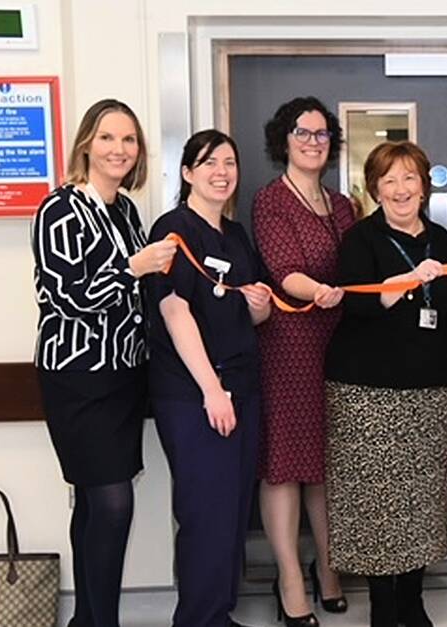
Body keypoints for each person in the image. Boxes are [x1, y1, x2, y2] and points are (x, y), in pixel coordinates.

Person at [32, 98, 176, 627]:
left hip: (122, 375)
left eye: (129, 140)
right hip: (76, 376)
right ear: (87, 143)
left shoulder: (125, 211)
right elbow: (70, 296)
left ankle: (88, 619)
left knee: (94, 502)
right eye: (109, 137)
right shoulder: (59, 209)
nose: (119, 149)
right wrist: (134, 266)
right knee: (113, 504)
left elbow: (136, 298)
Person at [322, 141, 447, 627]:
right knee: (377, 503)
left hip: (430, 390)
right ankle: (383, 604)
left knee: (420, 500)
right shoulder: (360, 240)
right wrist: (406, 280)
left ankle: (413, 598)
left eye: (410, 178)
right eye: (390, 180)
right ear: (375, 189)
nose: (401, 189)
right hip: (369, 392)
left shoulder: (442, 239)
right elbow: (357, 305)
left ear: (424, 185)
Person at [146, 129, 272, 627]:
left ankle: (217, 613)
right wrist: (211, 390)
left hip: (241, 386)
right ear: (187, 173)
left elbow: (249, 315)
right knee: (206, 514)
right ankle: (198, 619)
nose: (221, 172)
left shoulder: (236, 235)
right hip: (196, 393)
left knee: (233, 511)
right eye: (209, 163)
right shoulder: (173, 230)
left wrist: (259, 306)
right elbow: (175, 310)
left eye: (229, 162)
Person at [252, 96, 356, 626]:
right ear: (283, 139)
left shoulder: (343, 206)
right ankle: (290, 575)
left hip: (337, 343)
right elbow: (282, 269)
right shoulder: (271, 201)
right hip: (290, 342)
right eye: (303, 132)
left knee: (326, 460)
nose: (313, 141)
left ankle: (330, 565)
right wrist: (319, 290)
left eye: (321, 134)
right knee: (286, 462)